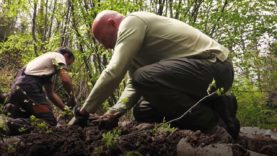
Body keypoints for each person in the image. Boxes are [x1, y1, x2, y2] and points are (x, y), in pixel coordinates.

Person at [70, 10, 240, 139]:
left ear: (112, 23)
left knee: (143, 77)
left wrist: (84, 112)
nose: (106, 47)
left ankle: (211, 123)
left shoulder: (132, 21)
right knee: (143, 111)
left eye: (103, 40)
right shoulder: (135, 49)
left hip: (216, 66)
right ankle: (217, 105)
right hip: (196, 78)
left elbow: (114, 72)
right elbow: (133, 85)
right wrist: (113, 113)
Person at [2, 47, 76, 135]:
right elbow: (65, 80)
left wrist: (66, 110)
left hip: (17, 88)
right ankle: (3, 124)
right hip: (29, 86)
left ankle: (7, 128)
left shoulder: (42, 66)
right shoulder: (58, 56)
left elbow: (51, 94)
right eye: (69, 63)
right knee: (49, 121)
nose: (67, 66)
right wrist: (72, 96)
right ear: (66, 56)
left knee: (25, 119)